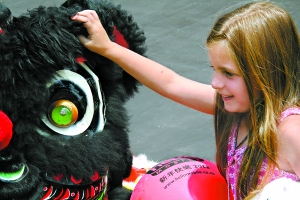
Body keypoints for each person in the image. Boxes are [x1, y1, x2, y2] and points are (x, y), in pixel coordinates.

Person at [71, 1, 300, 199]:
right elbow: (171, 83)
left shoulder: (290, 133)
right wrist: (109, 49)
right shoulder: (232, 111)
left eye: (228, 73)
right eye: (215, 69)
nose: (215, 83)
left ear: (267, 72)